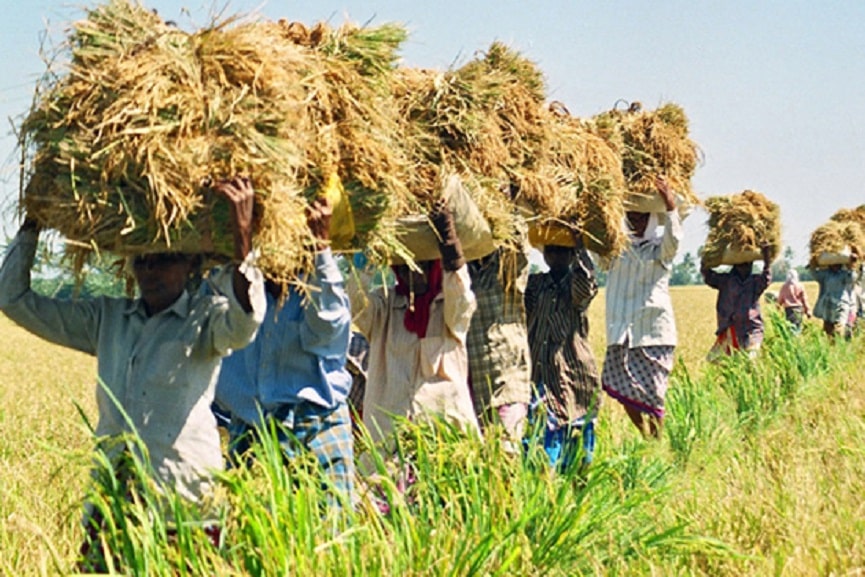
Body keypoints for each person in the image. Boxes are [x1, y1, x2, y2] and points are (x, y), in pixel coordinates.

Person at [0, 177, 266, 570]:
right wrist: (32, 224)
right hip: (113, 497)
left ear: (192, 263)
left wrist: (243, 244)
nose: (150, 270)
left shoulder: (205, 319)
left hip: (183, 500)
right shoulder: (109, 320)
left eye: (164, 259)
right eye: (142, 259)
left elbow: (247, 320)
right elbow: (13, 299)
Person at [213, 196, 355, 505]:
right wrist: (241, 247)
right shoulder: (232, 284)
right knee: (246, 541)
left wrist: (320, 250)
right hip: (250, 426)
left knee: (329, 537)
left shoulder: (318, 286)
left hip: (314, 425)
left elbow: (329, 332)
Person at [349, 202, 480, 463]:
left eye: (421, 266)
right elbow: (355, 302)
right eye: (406, 268)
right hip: (387, 443)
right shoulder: (384, 310)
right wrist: (365, 258)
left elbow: (462, 297)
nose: (414, 274)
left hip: (444, 444)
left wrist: (452, 249)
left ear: (434, 268)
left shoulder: (449, 310)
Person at [602, 177, 681, 438]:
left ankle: (657, 438)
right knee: (620, 388)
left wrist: (671, 206)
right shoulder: (617, 252)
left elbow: (674, 240)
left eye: (642, 217)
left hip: (653, 331)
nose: (636, 222)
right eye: (631, 217)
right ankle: (646, 435)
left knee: (654, 393)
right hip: (621, 331)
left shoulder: (660, 251)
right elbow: (596, 250)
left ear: (652, 221)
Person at [524, 234, 601, 471]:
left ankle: (578, 500)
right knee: (541, 448)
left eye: (562, 251)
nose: (556, 256)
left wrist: (579, 242)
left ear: (571, 255)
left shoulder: (577, 286)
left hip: (574, 376)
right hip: (540, 374)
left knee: (579, 452)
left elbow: (585, 287)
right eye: (551, 250)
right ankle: (546, 499)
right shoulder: (536, 284)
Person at [466, 247, 532, 449]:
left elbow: (519, 241)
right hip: (473, 387)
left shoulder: (508, 267)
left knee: (506, 451)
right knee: (480, 459)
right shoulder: (460, 271)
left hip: (508, 382)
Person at [701, 245, 773, 360]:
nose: (745, 267)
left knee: (751, 359)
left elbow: (766, 278)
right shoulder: (725, 280)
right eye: (742, 265)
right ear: (735, 266)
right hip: (729, 328)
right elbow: (708, 276)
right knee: (714, 360)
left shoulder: (755, 281)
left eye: (748, 264)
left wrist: (767, 259)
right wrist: (705, 259)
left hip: (751, 329)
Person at [811, 259, 858, 339]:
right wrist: (813, 264)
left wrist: (852, 265)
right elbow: (815, 274)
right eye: (834, 264)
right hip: (828, 305)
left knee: (840, 327)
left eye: (838, 264)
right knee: (828, 329)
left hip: (841, 304)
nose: (835, 266)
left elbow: (852, 278)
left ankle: (841, 344)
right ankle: (831, 348)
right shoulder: (825, 274)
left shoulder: (844, 274)